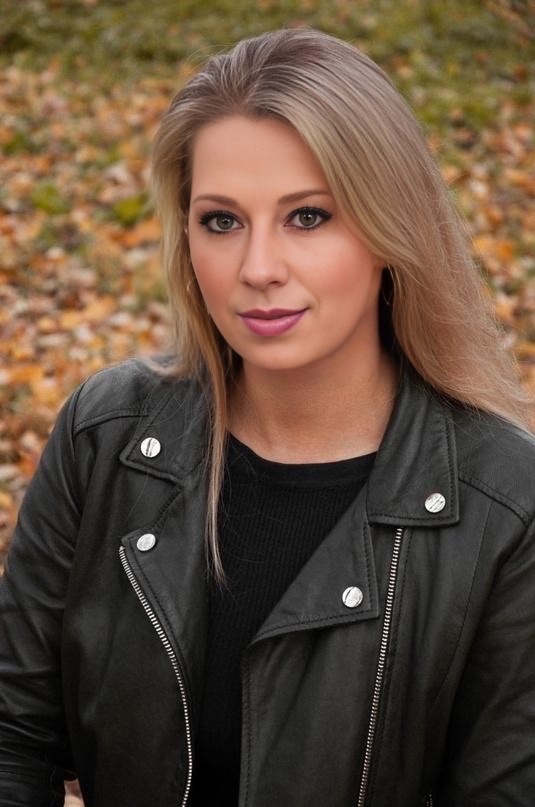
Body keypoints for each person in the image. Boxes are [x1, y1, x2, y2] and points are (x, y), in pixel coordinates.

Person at [0, 26, 534, 807]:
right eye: (221, 221)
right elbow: (12, 739)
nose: (257, 269)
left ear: (389, 227)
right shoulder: (106, 433)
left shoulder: (505, 503)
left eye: (307, 217)